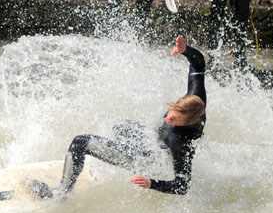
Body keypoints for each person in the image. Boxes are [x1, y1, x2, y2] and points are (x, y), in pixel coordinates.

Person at [32, 35, 206, 198]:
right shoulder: (196, 99)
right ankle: (107, 156)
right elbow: (199, 64)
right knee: (118, 126)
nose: (168, 118)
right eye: (170, 112)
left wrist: (151, 183)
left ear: (190, 122)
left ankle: (61, 193)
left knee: (81, 142)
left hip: (149, 161)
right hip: (152, 141)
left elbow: (183, 186)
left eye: (174, 120)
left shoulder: (180, 144)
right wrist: (186, 50)